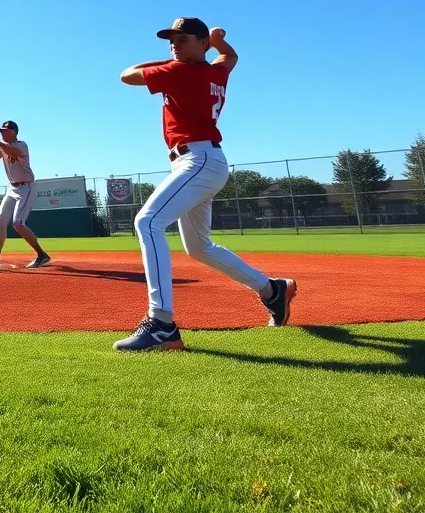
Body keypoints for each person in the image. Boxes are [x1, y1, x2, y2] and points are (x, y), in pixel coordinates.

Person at [115, 18, 296, 352]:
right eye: (171, 39)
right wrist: (216, 44)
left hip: (196, 161)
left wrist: (199, 50)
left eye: (182, 39)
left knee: (147, 221)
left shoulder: (179, 71)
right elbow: (231, 58)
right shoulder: (214, 72)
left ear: (199, 43)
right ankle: (272, 289)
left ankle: (161, 323)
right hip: (205, 162)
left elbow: (126, 75)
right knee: (198, 247)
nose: (173, 44)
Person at [0, 121, 51, 269]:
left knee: (18, 223)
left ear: (14, 131)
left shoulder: (21, 145)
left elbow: (10, 151)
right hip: (12, 188)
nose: (2, 133)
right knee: (0, 222)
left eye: (5, 131)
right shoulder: (3, 147)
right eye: (1, 131)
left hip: (26, 187)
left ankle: (42, 255)